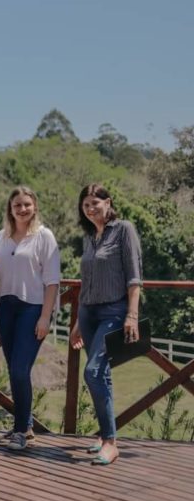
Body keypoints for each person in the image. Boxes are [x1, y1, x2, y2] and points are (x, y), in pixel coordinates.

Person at [69, 183, 142, 466]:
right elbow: (86, 282)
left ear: (108, 202)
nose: (90, 209)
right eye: (85, 205)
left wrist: (131, 315)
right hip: (88, 313)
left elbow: (134, 277)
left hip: (114, 310)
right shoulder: (89, 237)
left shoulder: (124, 230)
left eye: (95, 204)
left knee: (93, 372)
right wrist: (77, 321)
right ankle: (103, 436)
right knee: (102, 376)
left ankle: (111, 443)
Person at [0, 186, 60, 450]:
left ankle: (22, 429)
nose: (22, 209)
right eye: (17, 205)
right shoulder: (2, 236)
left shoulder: (44, 237)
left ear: (35, 207)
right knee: (14, 370)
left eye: (27, 205)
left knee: (21, 369)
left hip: (32, 308)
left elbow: (52, 282)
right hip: (6, 306)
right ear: (10, 209)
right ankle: (24, 426)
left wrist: (45, 318)